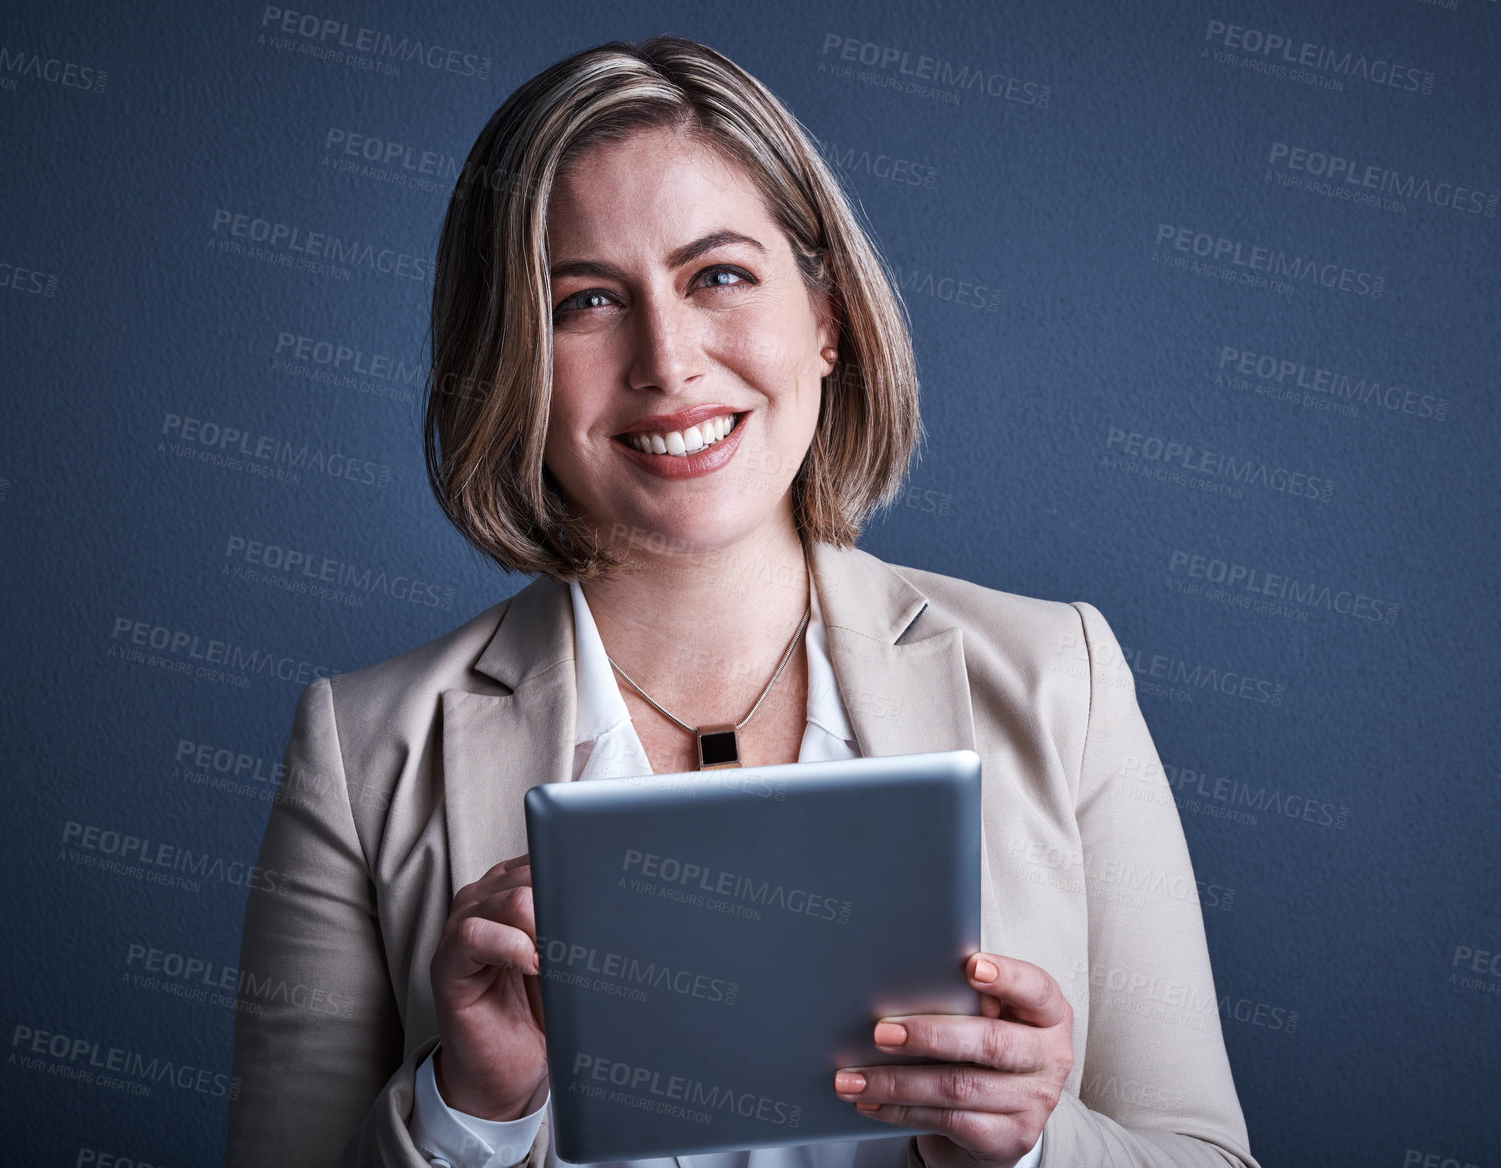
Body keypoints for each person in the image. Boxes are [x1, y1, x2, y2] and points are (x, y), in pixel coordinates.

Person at [225, 34, 1260, 1168]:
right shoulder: (362, 749)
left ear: (824, 316)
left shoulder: (1061, 678)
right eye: (583, 301)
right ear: (510, 358)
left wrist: (1028, 1147)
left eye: (716, 274)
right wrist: (466, 1111)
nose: (665, 361)